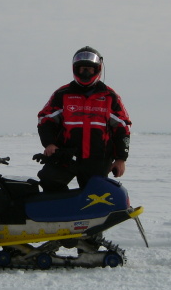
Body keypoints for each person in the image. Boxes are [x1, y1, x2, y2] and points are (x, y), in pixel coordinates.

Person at [36, 46, 131, 192]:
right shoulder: (62, 94)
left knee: (95, 195)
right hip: (66, 155)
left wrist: (120, 159)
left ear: (97, 69)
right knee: (49, 181)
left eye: (90, 69)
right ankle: (60, 212)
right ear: (75, 69)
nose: (86, 72)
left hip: (98, 159)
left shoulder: (110, 97)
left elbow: (122, 128)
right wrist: (49, 144)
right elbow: (45, 120)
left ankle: (93, 215)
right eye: (82, 69)